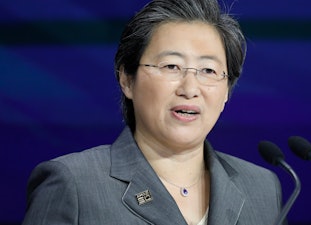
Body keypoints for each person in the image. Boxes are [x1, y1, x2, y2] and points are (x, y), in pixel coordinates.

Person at [22, 0, 282, 224]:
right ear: (126, 79)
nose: (190, 89)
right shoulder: (74, 184)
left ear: (226, 90)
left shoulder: (262, 188)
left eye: (208, 70)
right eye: (171, 66)